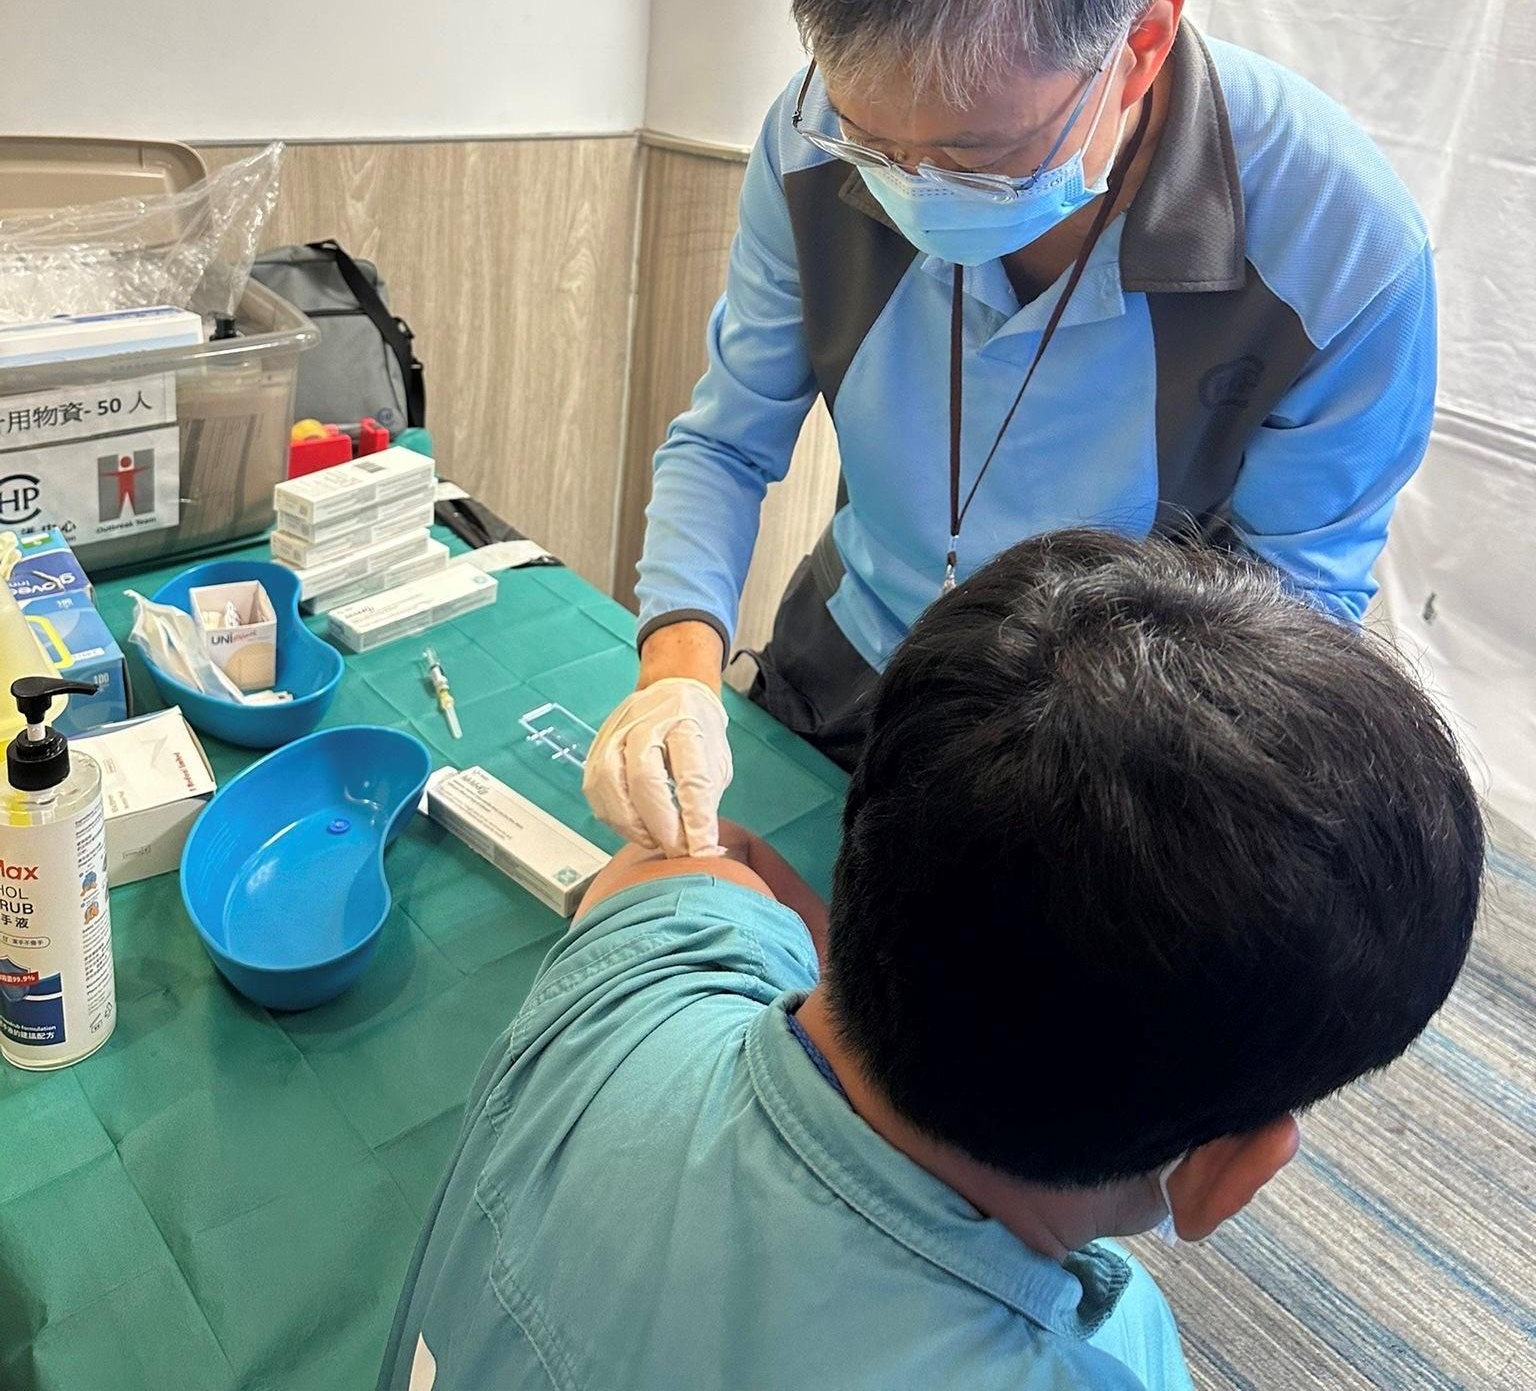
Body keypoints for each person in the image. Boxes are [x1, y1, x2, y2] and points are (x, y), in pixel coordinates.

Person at [584, 0, 1439, 857]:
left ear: (1140, 43)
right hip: (844, 661)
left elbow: (1284, 628)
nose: (914, 193)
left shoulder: (1337, 251)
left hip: (1115, 748)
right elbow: (728, 440)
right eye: (872, 142)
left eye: (977, 154)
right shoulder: (806, 139)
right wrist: (677, 667)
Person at [379, 532, 1483, 1391]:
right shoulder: (1105, 1360)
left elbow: (684, 868)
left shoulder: (636, 987)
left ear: (869, 844)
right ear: (1229, 1173)